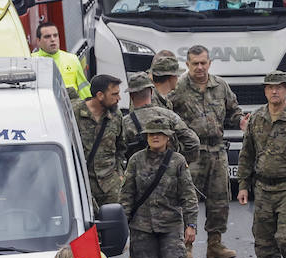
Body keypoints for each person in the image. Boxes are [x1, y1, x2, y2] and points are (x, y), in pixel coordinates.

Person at [122, 119, 198, 258]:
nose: (155, 137)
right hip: (142, 227)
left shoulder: (177, 161)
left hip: (170, 226)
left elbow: (188, 195)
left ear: (168, 137)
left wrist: (191, 224)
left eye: (160, 133)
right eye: (151, 133)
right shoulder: (136, 160)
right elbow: (126, 194)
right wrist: (122, 226)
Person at [172, 45, 244, 258]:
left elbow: (233, 111)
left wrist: (241, 121)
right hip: (191, 152)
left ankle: (215, 244)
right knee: (188, 199)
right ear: (187, 65)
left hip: (217, 150)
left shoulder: (220, 86)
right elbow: (168, 115)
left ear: (210, 63)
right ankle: (186, 245)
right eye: (195, 63)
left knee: (219, 199)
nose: (200, 67)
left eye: (203, 63)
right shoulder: (179, 88)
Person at [236, 71, 286, 258]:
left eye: (279, 87)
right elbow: (247, 153)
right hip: (263, 187)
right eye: (270, 87)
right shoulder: (257, 118)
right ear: (265, 90)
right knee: (263, 241)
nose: (275, 91)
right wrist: (243, 185)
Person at [76, 75, 130, 211]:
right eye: (114, 94)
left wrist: (119, 173)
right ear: (100, 95)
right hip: (82, 185)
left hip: (110, 185)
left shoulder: (116, 116)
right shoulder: (74, 113)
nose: (119, 98)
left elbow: (121, 148)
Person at [125, 71, 200, 163]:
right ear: (151, 91)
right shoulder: (169, 115)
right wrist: (177, 162)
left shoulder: (124, 123)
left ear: (131, 95)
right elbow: (193, 142)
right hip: (170, 170)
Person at [34, 23, 92, 100]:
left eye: (55, 35)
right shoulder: (31, 61)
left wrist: (89, 104)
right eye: (47, 37)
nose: (52, 39)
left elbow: (83, 87)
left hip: (71, 105)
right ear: (38, 41)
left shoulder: (72, 59)